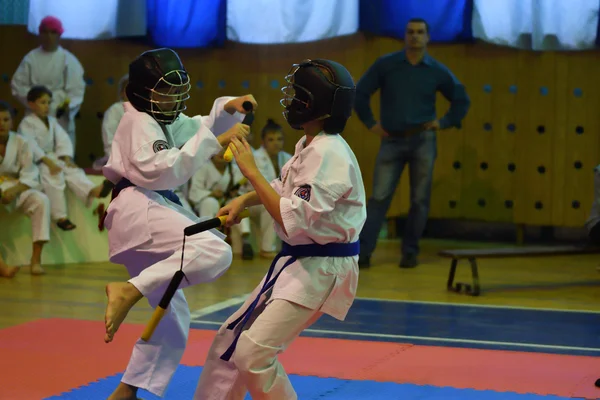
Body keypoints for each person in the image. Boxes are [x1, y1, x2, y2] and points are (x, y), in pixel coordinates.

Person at [194, 59, 366, 400]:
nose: (289, 102)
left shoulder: (329, 154)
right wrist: (246, 199)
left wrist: (251, 173)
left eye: (296, 95)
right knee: (229, 340)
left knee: (253, 353)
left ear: (313, 104)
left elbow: (291, 218)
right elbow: (284, 187)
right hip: (300, 261)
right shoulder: (310, 144)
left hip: (322, 268)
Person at [100, 47, 254, 400]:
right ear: (142, 92)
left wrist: (232, 106)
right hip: (139, 211)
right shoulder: (137, 121)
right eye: (164, 91)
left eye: (175, 90)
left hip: (142, 220)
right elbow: (160, 170)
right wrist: (214, 142)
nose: (172, 98)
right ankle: (129, 289)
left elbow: (202, 124)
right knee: (215, 250)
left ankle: (126, 391)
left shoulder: (163, 119)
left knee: (171, 319)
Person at [354, 18, 470, 269]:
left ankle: (410, 252)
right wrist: (371, 123)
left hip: (423, 140)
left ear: (427, 37)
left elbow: (461, 100)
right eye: (410, 32)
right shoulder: (387, 65)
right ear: (404, 36)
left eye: (420, 32)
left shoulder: (436, 70)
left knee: (419, 200)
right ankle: (363, 253)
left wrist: (445, 121)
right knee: (379, 197)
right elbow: (360, 94)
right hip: (391, 139)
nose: (415, 36)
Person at [18, 85, 109, 231]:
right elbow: (30, 146)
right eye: (42, 102)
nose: (47, 106)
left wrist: (66, 158)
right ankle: (60, 217)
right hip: (37, 162)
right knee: (54, 175)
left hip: (53, 158)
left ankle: (93, 190)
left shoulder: (52, 121)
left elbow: (63, 140)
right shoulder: (26, 123)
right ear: (31, 104)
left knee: (73, 170)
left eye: (48, 102)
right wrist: (47, 161)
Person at [11, 16, 85, 149]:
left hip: (59, 113)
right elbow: (18, 86)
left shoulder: (68, 59)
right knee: (32, 152)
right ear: (40, 34)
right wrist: (35, 102)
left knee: (62, 153)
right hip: (34, 113)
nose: (49, 36)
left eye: (53, 32)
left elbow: (76, 90)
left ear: (59, 35)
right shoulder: (31, 58)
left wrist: (67, 106)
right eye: (45, 32)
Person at [0, 101, 50, 276]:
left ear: (12, 121)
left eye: (6, 119)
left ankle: (36, 260)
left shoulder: (21, 142)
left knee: (40, 200)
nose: (2, 124)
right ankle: (1, 265)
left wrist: (14, 190)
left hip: (17, 188)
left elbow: (29, 174)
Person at [188, 151, 255, 259]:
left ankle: (245, 240)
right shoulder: (202, 167)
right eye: (218, 150)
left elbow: (243, 191)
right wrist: (211, 193)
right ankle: (208, 242)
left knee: (239, 204)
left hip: (227, 201)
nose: (221, 153)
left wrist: (235, 193)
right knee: (210, 202)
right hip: (206, 202)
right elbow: (194, 191)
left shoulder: (234, 169)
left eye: (225, 150)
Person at [251, 118, 293, 258]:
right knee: (269, 203)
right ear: (263, 142)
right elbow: (262, 187)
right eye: (271, 139)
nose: (276, 143)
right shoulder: (255, 157)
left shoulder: (288, 158)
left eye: (279, 139)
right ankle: (267, 248)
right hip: (252, 202)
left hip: (279, 198)